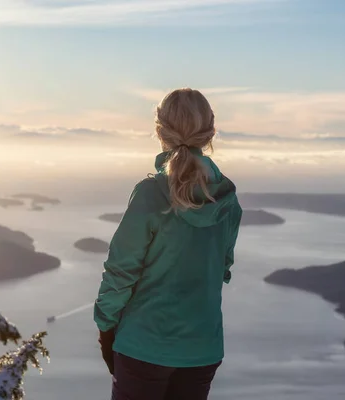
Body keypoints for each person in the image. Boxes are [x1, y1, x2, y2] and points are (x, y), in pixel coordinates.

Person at [93, 88, 243, 400]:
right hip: (203, 348)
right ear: (210, 131)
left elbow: (121, 271)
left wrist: (106, 329)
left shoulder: (151, 193)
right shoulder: (226, 198)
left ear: (160, 131)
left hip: (144, 346)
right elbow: (222, 269)